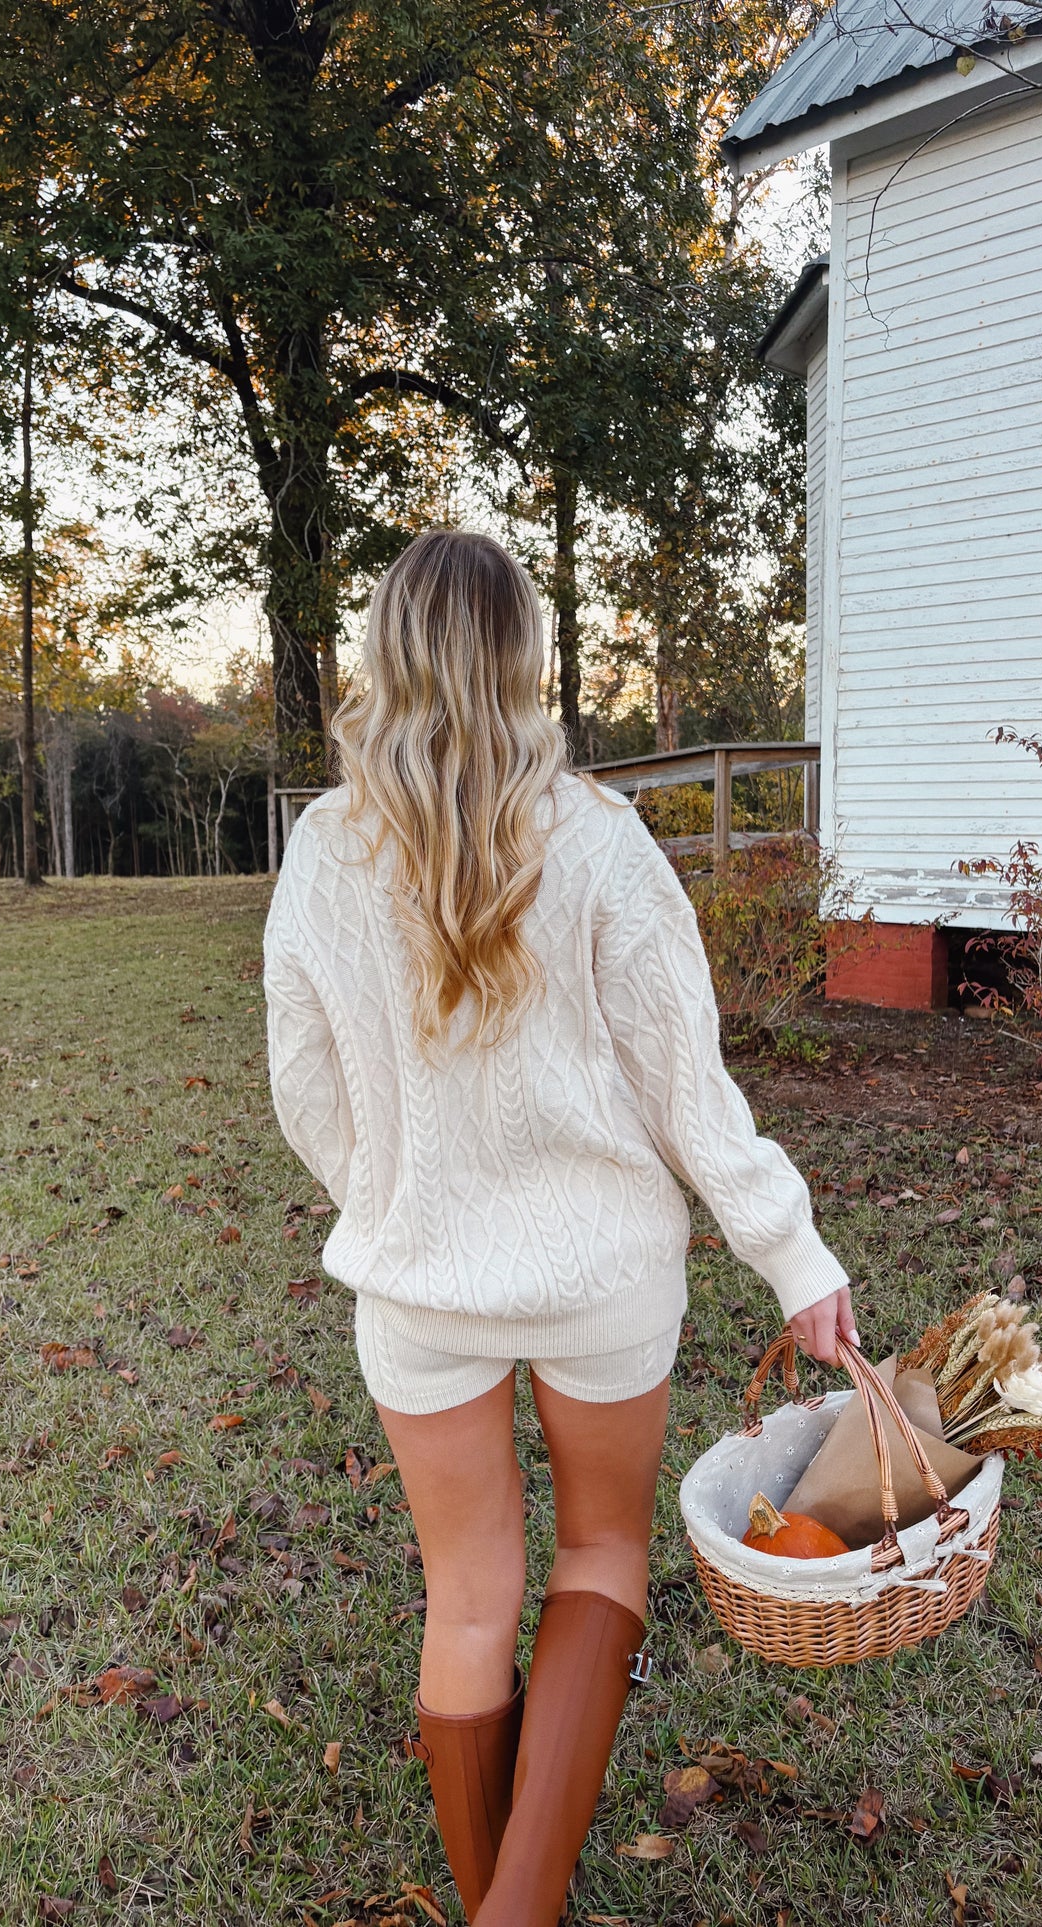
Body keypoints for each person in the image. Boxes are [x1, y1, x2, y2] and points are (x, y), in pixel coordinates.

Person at [264, 528, 857, 1925]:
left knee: (468, 1599)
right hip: (604, 1282)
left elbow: (303, 1088)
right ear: (526, 660)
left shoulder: (324, 849)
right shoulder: (598, 837)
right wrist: (792, 1255)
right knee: (600, 1556)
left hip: (418, 1290)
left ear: (384, 661)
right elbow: (686, 1086)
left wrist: (392, 1198)